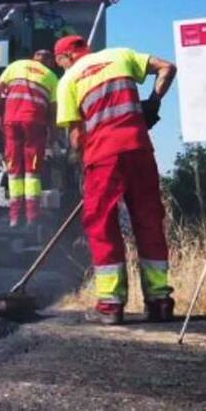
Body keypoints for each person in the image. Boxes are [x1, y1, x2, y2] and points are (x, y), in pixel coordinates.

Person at [54, 35, 177, 324]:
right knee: (148, 220)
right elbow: (167, 68)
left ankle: (110, 305)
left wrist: (80, 165)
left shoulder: (69, 79)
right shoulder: (121, 54)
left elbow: (76, 137)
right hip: (139, 149)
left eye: (60, 63)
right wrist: (152, 103)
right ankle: (159, 301)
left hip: (102, 158)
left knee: (102, 224)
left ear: (66, 57)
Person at [0, 50, 59, 227]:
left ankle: (14, 217)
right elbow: (53, 111)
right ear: (49, 62)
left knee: (14, 168)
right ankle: (32, 217)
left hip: (11, 122)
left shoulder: (16, 66)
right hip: (35, 125)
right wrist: (53, 137)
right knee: (32, 171)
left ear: (33, 58)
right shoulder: (52, 77)